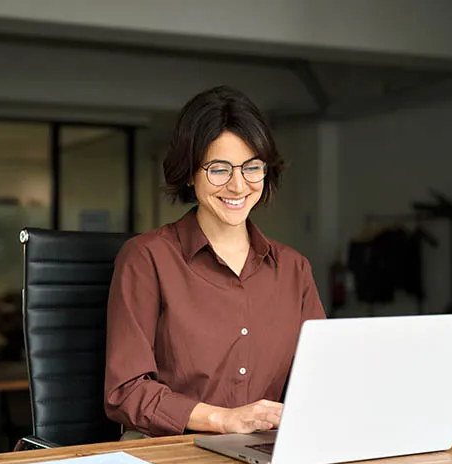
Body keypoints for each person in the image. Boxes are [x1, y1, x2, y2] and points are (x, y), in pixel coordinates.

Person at [104, 85, 326, 439]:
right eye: (219, 169)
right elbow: (126, 392)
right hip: (169, 455)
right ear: (191, 173)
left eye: (252, 167)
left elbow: (322, 380)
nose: (238, 186)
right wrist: (224, 420)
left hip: (263, 453)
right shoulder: (146, 259)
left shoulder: (294, 269)